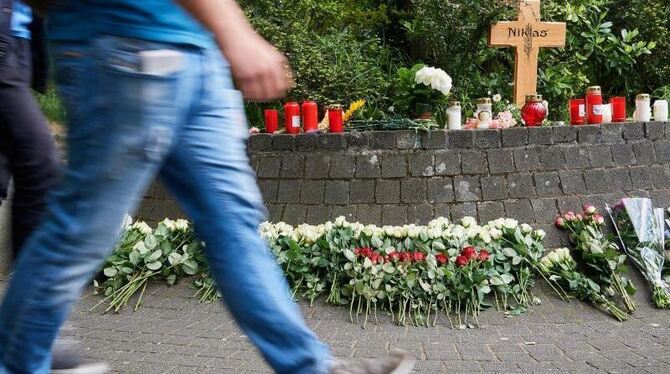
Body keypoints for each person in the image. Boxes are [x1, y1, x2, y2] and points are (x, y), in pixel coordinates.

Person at [0, 1, 415, 373]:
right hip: (126, 47)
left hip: (198, 54)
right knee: (84, 228)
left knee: (234, 223)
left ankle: (309, 367)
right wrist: (235, 30)